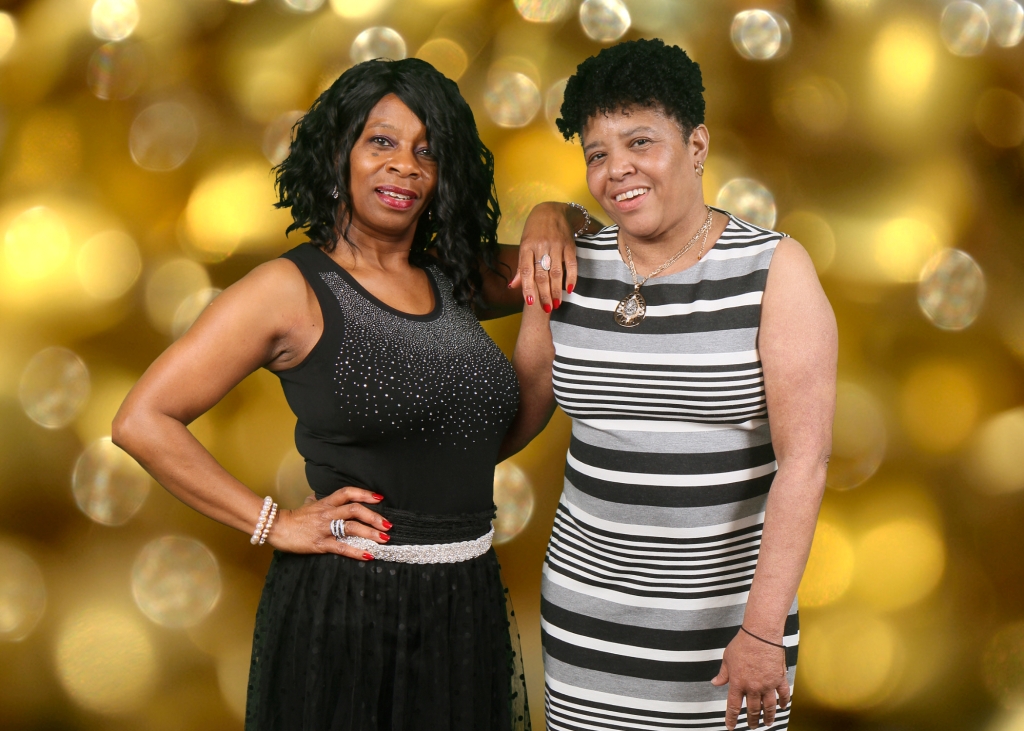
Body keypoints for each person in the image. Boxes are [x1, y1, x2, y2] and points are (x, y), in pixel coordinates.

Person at [112, 58, 582, 731]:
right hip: (347, 608)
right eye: (381, 141)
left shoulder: (453, 275)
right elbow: (141, 419)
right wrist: (275, 523)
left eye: (427, 150)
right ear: (339, 154)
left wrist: (549, 214)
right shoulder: (289, 289)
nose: (405, 165)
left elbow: (585, 251)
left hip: (466, 596)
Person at [506, 39, 837, 731]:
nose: (616, 169)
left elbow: (804, 463)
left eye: (640, 142)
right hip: (586, 622)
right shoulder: (565, 268)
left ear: (696, 145)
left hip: (730, 635)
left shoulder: (774, 269)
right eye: (597, 154)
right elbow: (512, 419)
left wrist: (762, 630)